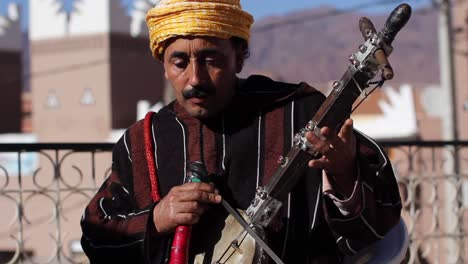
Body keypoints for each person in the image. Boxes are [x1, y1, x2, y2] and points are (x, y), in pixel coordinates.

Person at [80, 0, 402, 263]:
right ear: (163, 65)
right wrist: (157, 219)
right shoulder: (142, 142)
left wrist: (345, 173)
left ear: (239, 57)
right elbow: (97, 237)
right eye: (180, 63)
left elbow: (380, 227)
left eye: (211, 60)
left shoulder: (300, 111)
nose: (195, 79)